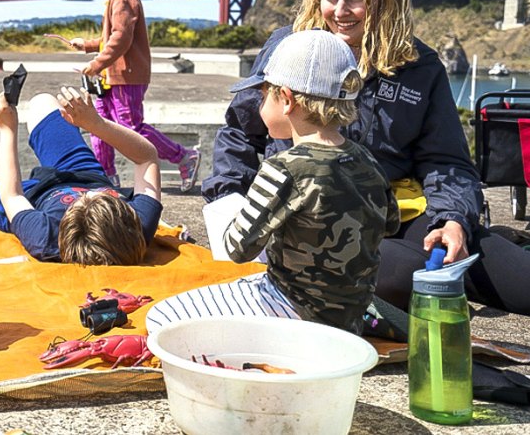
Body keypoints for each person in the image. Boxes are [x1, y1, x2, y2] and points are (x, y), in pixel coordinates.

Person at [202, 0, 530, 318]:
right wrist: (228, 200)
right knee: (397, 278)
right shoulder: (288, 46)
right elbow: (240, 131)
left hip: (397, 213)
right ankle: (432, 270)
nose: (339, 11)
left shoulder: (421, 67)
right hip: (305, 219)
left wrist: (452, 221)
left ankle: (512, 243)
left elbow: (445, 160)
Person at [148, 29, 400, 335]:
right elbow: (390, 224)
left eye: (263, 94)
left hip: (294, 309)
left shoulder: (284, 168)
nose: (258, 103)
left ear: (287, 100)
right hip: (351, 314)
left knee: (161, 317)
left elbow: (237, 250)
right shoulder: (366, 159)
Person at [0, 86, 163, 264]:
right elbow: (147, 157)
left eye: (83, 201)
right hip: (85, 173)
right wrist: (95, 123)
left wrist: (7, 129)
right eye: (104, 197)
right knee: (43, 103)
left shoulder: (44, 236)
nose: (87, 196)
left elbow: (12, 195)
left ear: (67, 222)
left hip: (34, 197)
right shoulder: (139, 225)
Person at [67, 0, 201, 191]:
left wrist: (96, 64)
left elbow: (121, 39)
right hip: (112, 78)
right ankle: (105, 175)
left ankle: (183, 156)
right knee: (99, 125)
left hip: (127, 76)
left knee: (131, 128)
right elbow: (112, 38)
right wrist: (87, 45)